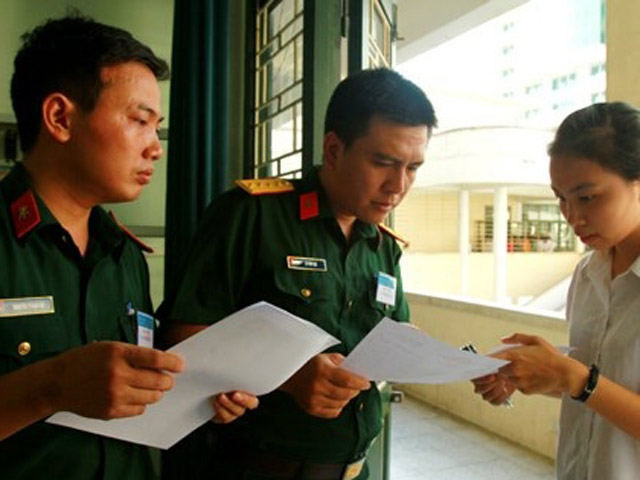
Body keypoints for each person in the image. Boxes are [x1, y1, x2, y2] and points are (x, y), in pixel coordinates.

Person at [0, 15, 255, 480]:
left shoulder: (124, 255)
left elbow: (132, 396)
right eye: (139, 121)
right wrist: (50, 386)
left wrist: (200, 393)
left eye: (157, 127)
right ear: (60, 118)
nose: (156, 148)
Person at [158, 68, 437, 479]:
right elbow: (181, 339)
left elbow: (391, 334)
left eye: (413, 168)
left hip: (356, 469)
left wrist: (410, 348)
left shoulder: (383, 245)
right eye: (383, 162)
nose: (398, 186)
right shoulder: (252, 216)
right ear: (334, 149)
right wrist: (291, 377)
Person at [473, 102, 640, 479]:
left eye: (587, 197)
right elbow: (598, 389)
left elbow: (587, 384)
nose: (572, 217)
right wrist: (535, 374)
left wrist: (576, 378)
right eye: (561, 198)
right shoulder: (589, 274)